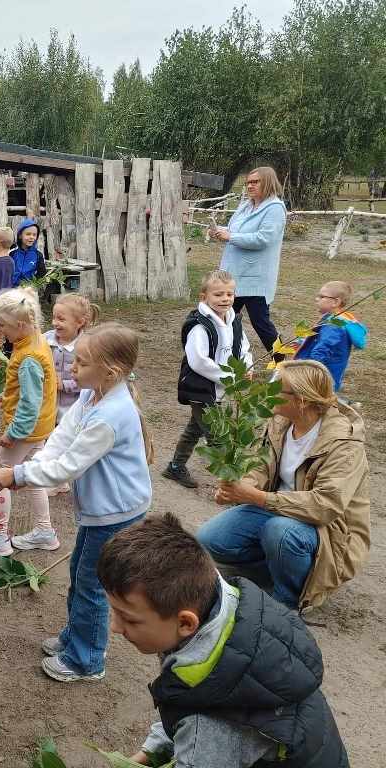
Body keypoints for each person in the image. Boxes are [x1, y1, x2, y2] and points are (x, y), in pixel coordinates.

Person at [98, 513, 349, 767]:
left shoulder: (208, 728)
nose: (115, 627)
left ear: (185, 623)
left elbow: (196, 716)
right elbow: (185, 695)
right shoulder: (226, 609)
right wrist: (148, 754)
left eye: (129, 619)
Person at [0, 322, 153, 682]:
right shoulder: (90, 395)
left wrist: (18, 475)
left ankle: (87, 660)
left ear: (109, 372)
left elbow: (70, 464)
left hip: (115, 512)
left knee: (92, 584)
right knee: (80, 574)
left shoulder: (111, 416)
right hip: (101, 509)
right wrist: (32, 467)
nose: (71, 368)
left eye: (80, 362)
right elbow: (61, 440)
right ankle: (74, 638)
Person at [197, 359, 370, 611]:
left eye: (278, 389)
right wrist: (239, 488)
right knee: (211, 539)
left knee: (280, 532)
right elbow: (261, 464)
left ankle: (289, 599)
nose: (269, 393)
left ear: (304, 400)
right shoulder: (281, 421)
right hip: (279, 509)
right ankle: (277, 566)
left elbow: (325, 506)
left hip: (327, 529)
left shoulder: (344, 444)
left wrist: (258, 498)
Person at [0, 288, 60, 556]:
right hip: (41, 428)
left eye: (3, 325)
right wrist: (7, 394)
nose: (0, 331)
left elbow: (29, 404)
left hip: (26, 430)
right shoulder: (36, 342)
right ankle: (44, 531)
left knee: (1, 475)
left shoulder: (28, 358)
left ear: (21, 324)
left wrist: (13, 433)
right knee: (35, 477)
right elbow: (34, 388)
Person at [163, 270, 253, 489]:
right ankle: (233, 485)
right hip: (201, 388)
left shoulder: (234, 321)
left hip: (221, 387)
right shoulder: (199, 325)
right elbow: (198, 361)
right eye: (218, 294)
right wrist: (231, 377)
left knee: (195, 427)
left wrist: (247, 366)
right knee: (217, 436)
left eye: (229, 294)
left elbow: (243, 348)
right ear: (204, 297)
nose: (225, 299)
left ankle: (175, 467)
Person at [211, 167, 287, 353]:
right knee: (224, 317)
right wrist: (218, 230)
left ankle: (282, 362)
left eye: (255, 182)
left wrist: (230, 237)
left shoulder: (275, 208)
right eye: (248, 183)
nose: (250, 186)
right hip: (234, 275)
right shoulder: (246, 205)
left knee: (261, 323)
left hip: (255, 278)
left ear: (268, 183)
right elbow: (234, 229)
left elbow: (263, 239)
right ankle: (227, 355)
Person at [45, 293, 100, 496]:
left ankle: (63, 480)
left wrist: (65, 384)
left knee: (68, 443)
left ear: (80, 322)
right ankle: (53, 478)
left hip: (71, 406)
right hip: (49, 405)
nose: (55, 323)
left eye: (61, 319)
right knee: (51, 440)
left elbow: (88, 380)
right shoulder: (46, 340)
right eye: (54, 317)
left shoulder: (84, 346)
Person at [292, 280, 367, 391]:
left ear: (335, 302)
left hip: (319, 379)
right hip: (326, 376)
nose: (317, 299)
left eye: (322, 297)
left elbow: (323, 349)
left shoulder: (333, 325)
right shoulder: (336, 320)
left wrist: (307, 371)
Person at [11, 218, 45, 287]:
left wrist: (34, 285)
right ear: (20, 235)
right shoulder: (12, 254)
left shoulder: (38, 255)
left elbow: (41, 273)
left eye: (34, 235)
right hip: (13, 291)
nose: (31, 237)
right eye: (28, 234)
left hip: (29, 290)